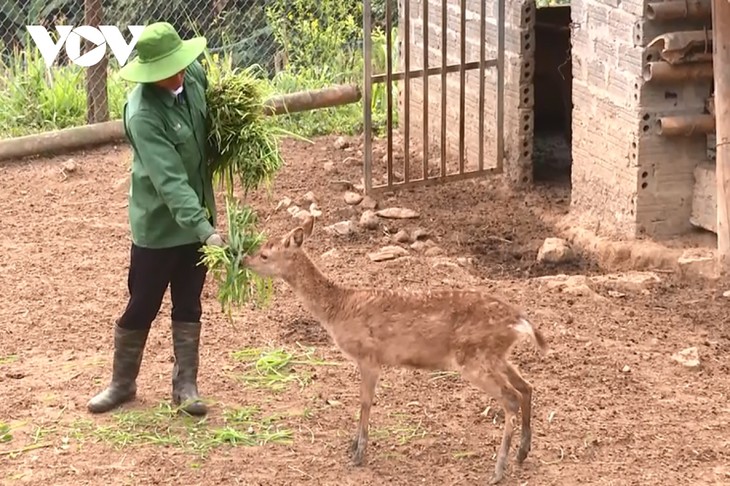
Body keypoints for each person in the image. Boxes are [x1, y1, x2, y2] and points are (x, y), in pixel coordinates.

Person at [87, 22, 223, 416]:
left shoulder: (193, 76)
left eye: (180, 65)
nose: (179, 74)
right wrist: (206, 231)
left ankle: (186, 387)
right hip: (159, 227)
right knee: (143, 303)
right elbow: (170, 182)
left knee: (189, 302)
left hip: (199, 214)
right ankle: (122, 383)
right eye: (168, 70)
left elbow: (210, 121)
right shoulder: (143, 113)